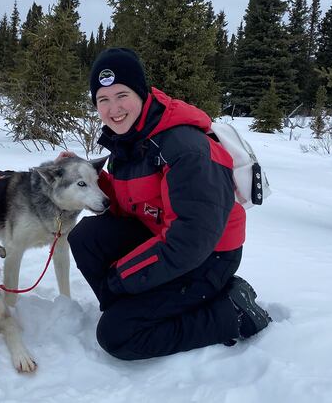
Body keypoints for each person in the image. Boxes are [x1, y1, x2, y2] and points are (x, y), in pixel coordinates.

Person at [67, 47, 271, 361]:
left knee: (118, 336)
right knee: (85, 237)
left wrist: (123, 277)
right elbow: (130, 205)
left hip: (211, 255)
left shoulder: (184, 147)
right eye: (102, 100)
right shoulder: (130, 138)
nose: (113, 108)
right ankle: (137, 308)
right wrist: (86, 177)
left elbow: (190, 242)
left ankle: (230, 312)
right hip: (162, 234)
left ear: (142, 93)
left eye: (121, 95)